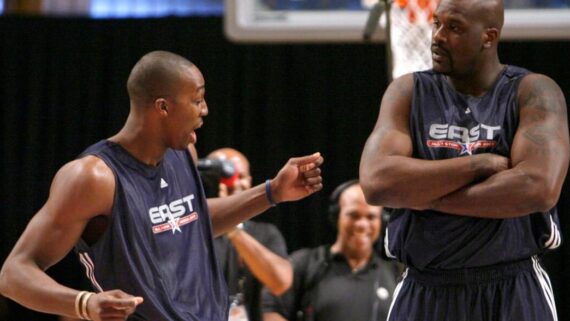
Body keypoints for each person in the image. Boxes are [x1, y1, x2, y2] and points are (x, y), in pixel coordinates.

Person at [0, 50, 324, 321]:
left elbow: (192, 219)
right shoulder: (93, 177)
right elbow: (13, 274)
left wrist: (272, 192)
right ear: (163, 107)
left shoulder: (184, 154)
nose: (205, 110)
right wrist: (83, 304)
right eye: (197, 100)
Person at [359, 0, 569, 320]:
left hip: (512, 287)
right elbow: (377, 183)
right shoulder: (408, 91)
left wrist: (424, 197)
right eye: (437, 23)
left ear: (489, 36)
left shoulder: (534, 91)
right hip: (424, 286)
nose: (438, 36)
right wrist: (478, 165)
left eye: (454, 27)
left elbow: (537, 188)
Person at [262, 180, 399, 321]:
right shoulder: (305, 264)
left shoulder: (394, 273)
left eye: (371, 217)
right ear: (336, 215)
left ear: (381, 221)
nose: (362, 225)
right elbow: (270, 308)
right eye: (353, 215)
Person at [208, 148, 293, 321]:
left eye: (241, 177)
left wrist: (232, 226)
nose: (235, 184)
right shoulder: (191, 231)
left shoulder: (264, 233)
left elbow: (280, 282)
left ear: (250, 181)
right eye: (226, 177)